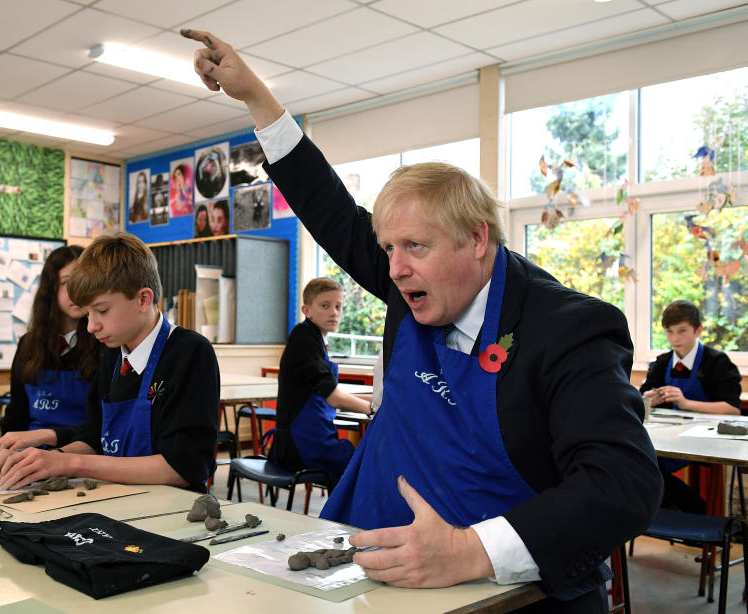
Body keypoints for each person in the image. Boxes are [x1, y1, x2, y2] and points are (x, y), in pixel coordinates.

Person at [183, 29, 661, 612]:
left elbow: (623, 486)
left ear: (477, 239)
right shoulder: (410, 281)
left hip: (509, 593)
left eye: (415, 246)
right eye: (388, 248)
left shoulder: (570, 330)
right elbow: (329, 208)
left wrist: (470, 551)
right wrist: (258, 97)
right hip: (375, 571)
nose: (396, 269)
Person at [0, 233, 220, 494]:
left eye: (102, 311)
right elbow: (94, 437)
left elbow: (182, 468)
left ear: (143, 299)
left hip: (175, 509)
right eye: (87, 314)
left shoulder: (189, 353)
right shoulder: (114, 354)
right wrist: (42, 460)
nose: (92, 326)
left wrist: (69, 462)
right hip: (121, 499)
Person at [0, 246, 104, 457]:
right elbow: (18, 415)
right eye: (67, 283)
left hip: (80, 456)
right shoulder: (29, 345)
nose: (77, 291)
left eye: (83, 282)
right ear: (50, 288)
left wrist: (48, 436)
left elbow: (103, 427)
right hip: (29, 455)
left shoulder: (106, 344)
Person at [640, 300, 741, 514]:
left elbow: (732, 408)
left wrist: (686, 403)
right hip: (671, 437)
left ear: (699, 330)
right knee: (639, 460)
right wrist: (649, 398)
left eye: (682, 331)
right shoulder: (661, 362)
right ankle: (684, 514)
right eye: (669, 332)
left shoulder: (718, 362)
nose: (675, 339)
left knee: (650, 469)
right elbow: (642, 396)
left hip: (708, 441)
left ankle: (696, 512)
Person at [269, 278, 371, 485]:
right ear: (307, 310)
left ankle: (342, 515)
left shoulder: (314, 337)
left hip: (308, 439)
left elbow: (326, 393)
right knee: (366, 462)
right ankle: (345, 517)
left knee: (359, 459)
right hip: (301, 444)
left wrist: (376, 399)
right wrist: (372, 409)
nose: (334, 312)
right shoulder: (304, 338)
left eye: (338, 307)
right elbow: (333, 399)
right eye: (325, 306)